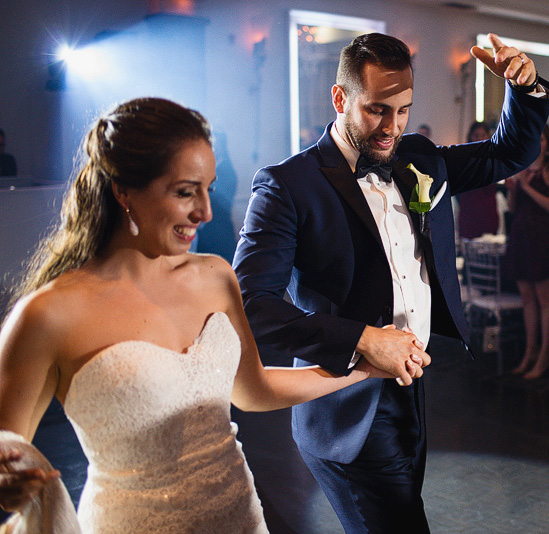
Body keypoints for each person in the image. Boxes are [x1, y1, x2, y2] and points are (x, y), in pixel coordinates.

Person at [0, 98, 397, 533]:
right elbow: (6, 448)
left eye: (208, 187)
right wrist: (8, 480)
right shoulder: (48, 315)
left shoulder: (215, 276)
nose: (205, 213)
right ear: (124, 191)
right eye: (185, 192)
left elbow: (252, 390)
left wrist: (359, 371)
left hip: (238, 514)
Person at [233, 32, 549, 534]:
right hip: (342, 405)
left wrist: (525, 88)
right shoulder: (287, 186)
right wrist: (363, 340)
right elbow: (252, 305)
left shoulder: (418, 158)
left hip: (412, 387)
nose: (392, 127)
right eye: (378, 111)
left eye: (403, 110)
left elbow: (508, 153)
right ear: (341, 99)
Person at [505, 124, 549, 379]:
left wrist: (526, 186)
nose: (538, 143)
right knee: (527, 297)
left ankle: (545, 354)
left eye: (541, 138)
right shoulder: (522, 168)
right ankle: (530, 350)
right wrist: (512, 190)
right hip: (521, 234)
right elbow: (512, 206)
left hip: (542, 236)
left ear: (548, 142)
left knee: (545, 297)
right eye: (533, 138)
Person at [456, 121, 499, 238]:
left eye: (483, 135)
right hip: (469, 210)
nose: (479, 138)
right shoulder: (463, 157)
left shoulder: (494, 158)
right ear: (470, 136)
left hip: (487, 210)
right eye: (476, 135)